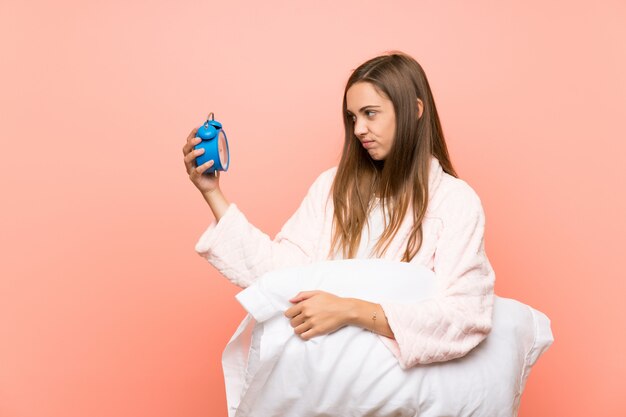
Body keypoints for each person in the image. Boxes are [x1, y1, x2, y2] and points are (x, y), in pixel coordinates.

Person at [182, 51, 495, 369]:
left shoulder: (455, 201)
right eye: (352, 117)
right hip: (325, 386)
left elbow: (466, 315)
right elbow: (281, 273)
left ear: (414, 111)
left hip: (398, 393)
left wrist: (352, 311)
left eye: (370, 113)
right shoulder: (332, 189)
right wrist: (213, 194)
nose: (358, 129)